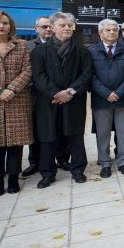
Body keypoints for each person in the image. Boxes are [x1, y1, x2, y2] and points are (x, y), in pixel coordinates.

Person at [31, 12, 93, 187]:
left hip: (73, 100)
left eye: (69, 25)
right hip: (48, 101)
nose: (67, 28)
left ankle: (78, 170)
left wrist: (70, 92)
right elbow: (38, 76)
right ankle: (48, 173)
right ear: (52, 27)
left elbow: (87, 74)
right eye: (62, 25)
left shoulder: (81, 50)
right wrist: (56, 93)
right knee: (48, 137)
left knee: (75, 136)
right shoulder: (39, 51)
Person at [0, 10, 33, 195]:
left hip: (16, 99)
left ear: (11, 26)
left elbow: (27, 70)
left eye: (5, 23)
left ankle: (12, 178)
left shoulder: (21, 45)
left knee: (15, 143)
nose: (1, 26)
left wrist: (12, 89)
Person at [88, 19, 124, 178]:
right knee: (103, 133)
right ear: (100, 33)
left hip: (123, 98)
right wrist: (106, 93)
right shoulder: (91, 51)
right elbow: (90, 76)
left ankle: (123, 161)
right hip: (101, 100)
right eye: (108, 30)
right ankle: (105, 162)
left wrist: (119, 92)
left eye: (115, 30)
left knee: (123, 132)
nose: (112, 32)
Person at [22, 16, 54, 178]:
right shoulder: (28, 46)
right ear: (36, 29)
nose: (47, 29)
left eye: (50, 26)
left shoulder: (59, 45)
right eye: (44, 27)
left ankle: (60, 159)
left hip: (56, 95)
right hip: (35, 96)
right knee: (35, 131)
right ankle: (34, 162)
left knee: (58, 129)